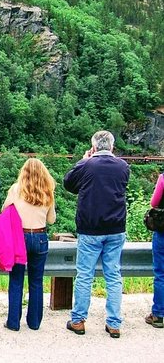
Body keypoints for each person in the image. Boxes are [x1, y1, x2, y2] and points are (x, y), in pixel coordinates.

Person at [64, 130, 129, 338]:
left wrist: (83, 160)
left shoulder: (87, 165)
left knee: (84, 275)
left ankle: (78, 320)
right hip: (116, 228)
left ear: (93, 147)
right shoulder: (123, 167)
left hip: (90, 228)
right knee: (113, 275)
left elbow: (68, 183)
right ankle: (114, 323)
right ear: (112, 146)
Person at [3, 158, 56, 331]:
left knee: (16, 280)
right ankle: (34, 322)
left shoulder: (16, 189)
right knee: (36, 281)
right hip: (40, 237)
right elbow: (52, 220)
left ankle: (13, 322)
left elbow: (5, 211)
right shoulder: (47, 191)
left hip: (20, 237)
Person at [146, 171, 164, 328]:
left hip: (163, 233)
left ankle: (158, 315)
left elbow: (154, 202)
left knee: (161, 274)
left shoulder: (163, 178)